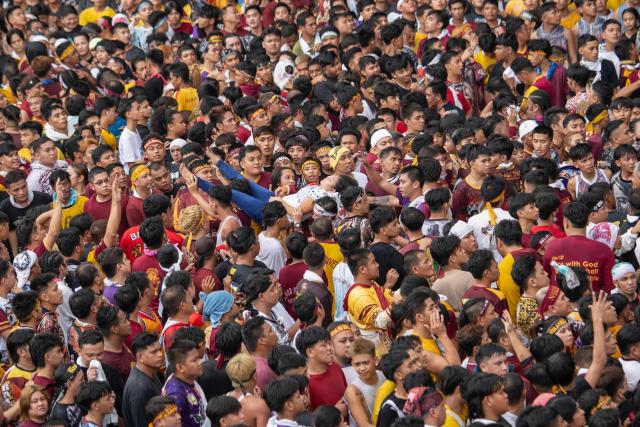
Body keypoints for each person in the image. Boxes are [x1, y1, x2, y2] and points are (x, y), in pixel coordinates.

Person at [122, 333, 164, 427]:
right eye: (154, 352)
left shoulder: (152, 372)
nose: (160, 354)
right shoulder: (139, 389)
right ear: (140, 357)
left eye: (160, 350)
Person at [162, 340, 207, 427]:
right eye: (194, 360)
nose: (200, 363)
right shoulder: (176, 394)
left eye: (198, 358)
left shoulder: (190, 380)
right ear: (180, 367)